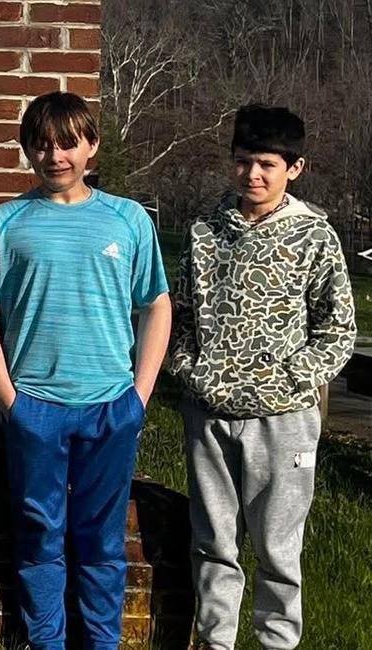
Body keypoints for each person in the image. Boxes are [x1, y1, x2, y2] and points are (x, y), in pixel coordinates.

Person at [0, 91, 171, 650]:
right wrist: (11, 401)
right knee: (39, 537)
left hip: (111, 406)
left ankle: (102, 642)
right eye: (42, 145)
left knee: (102, 540)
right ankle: (45, 641)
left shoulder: (128, 220)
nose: (55, 155)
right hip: (35, 408)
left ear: (91, 147)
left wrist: (139, 395)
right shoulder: (4, 224)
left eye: (68, 143)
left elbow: (156, 304)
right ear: (28, 151)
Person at [168, 104, 356, 650]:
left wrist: (293, 380)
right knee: (213, 544)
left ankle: (277, 642)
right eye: (244, 162)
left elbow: (338, 327)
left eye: (267, 164)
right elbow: (179, 315)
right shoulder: (205, 230)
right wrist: (191, 371)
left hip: (284, 421)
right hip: (209, 414)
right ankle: (215, 641)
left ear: (293, 168)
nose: (254, 174)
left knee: (278, 548)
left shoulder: (314, 236)